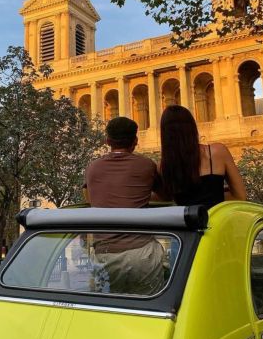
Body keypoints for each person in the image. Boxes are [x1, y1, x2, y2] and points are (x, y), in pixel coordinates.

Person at [83, 116, 165, 294]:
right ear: (135, 141)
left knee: (110, 309)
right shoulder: (147, 165)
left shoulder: (92, 167)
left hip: (104, 254)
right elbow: (165, 195)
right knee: (148, 307)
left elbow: (90, 199)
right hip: (141, 252)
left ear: (108, 141)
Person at [159, 105, 246, 208]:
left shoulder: (163, 166)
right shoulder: (217, 151)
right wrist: (217, 194)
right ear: (192, 127)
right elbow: (240, 196)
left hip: (188, 222)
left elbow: (167, 197)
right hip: (216, 220)